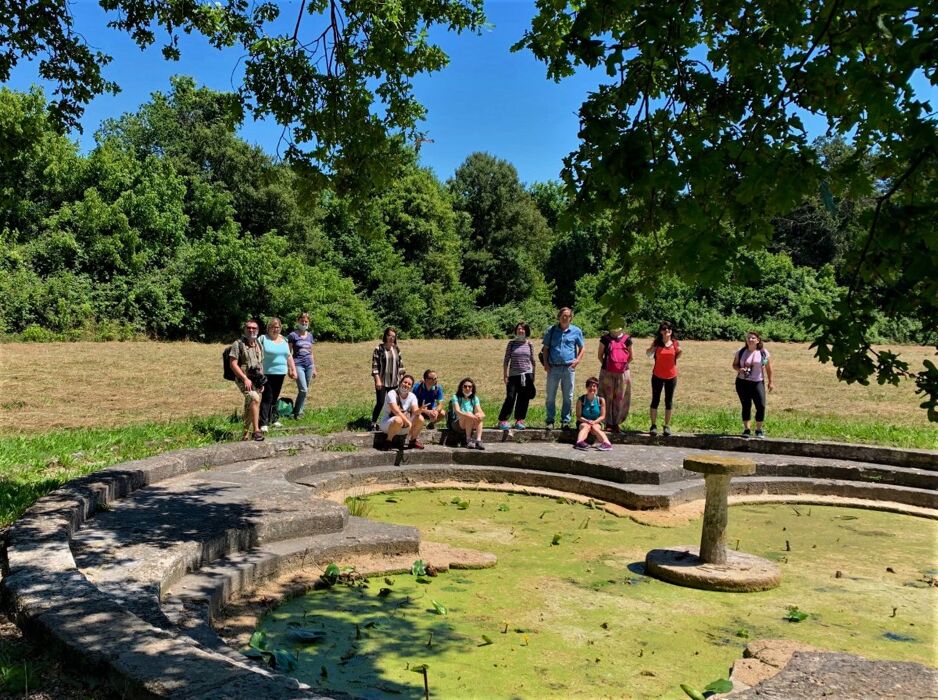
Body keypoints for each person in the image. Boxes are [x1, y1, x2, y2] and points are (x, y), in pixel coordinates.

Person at [541, 307, 585, 430]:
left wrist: (577, 361)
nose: (565, 318)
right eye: (563, 315)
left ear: (571, 318)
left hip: (568, 368)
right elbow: (545, 348)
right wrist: (545, 364)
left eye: (568, 316)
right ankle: (550, 420)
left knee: (568, 396)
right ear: (559, 316)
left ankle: (565, 420)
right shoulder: (551, 330)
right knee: (550, 396)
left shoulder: (576, 331)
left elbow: (582, 348)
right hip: (553, 368)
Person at [228, 319, 266, 441]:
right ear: (244, 330)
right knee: (255, 398)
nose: (251, 330)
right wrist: (245, 378)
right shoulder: (237, 344)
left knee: (251, 405)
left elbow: (260, 364)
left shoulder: (259, 345)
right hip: (242, 378)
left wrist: (261, 381)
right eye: (248, 328)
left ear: (258, 330)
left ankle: (245, 434)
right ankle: (256, 431)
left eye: (254, 328)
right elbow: (233, 364)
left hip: (255, 379)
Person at [732, 331, 775, 438]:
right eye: (748, 338)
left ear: (758, 340)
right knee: (746, 405)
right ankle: (746, 430)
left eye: (753, 338)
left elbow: (769, 368)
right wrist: (740, 369)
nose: (750, 340)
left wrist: (770, 382)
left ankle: (758, 430)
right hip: (742, 382)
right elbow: (734, 365)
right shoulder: (741, 352)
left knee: (761, 406)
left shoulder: (763, 353)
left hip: (758, 382)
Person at [258, 317, 296, 432]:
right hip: (266, 373)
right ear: (268, 328)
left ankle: (274, 419)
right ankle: (263, 422)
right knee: (267, 397)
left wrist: (293, 369)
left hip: (280, 373)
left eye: (277, 327)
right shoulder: (263, 339)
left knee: (275, 397)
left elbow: (288, 356)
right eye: (273, 327)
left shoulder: (284, 340)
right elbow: (256, 353)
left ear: (281, 328)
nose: (275, 329)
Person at [497, 322, 536, 431]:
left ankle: (520, 420)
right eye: (519, 329)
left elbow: (532, 361)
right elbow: (506, 360)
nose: (521, 331)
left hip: (527, 375)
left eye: (523, 329)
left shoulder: (530, 344)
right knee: (510, 397)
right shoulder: (511, 344)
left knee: (523, 398)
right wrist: (505, 375)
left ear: (526, 331)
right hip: (513, 375)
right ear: (516, 331)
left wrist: (533, 375)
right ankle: (503, 420)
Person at [645, 321, 681, 437]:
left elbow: (678, 355)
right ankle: (653, 425)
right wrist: (651, 349)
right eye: (665, 329)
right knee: (655, 400)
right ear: (661, 331)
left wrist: (680, 352)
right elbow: (648, 354)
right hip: (657, 376)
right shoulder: (657, 343)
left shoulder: (675, 343)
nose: (667, 331)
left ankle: (666, 426)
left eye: (669, 329)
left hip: (671, 376)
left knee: (668, 401)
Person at [597, 324, 633, 432]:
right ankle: (611, 422)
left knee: (617, 397)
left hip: (615, 372)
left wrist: (613, 366)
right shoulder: (606, 339)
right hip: (616, 372)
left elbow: (600, 356)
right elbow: (631, 357)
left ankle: (613, 423)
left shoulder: (624, 339)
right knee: (612, 397)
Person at [377, 374, 426, 449]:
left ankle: (413, 440)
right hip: (388, 425)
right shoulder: (392, 393)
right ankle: (388, 441)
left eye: (409, 384)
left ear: (411, 387)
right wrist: (408, 422)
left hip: (405, 427)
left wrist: (420, 410)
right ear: (400, 383)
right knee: (398, 419)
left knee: (420, 418)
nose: (406, 385)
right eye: (405, 382)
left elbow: (415, 410)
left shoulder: (412, 396)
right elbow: (396, 411)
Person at [371, 327, 405, 431]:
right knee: (380, 402)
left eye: (393, 336)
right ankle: (373, 423)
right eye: (389, 335)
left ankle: (392, 422)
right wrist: (377, 379)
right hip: (382, 382)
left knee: (394, 404)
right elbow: (375, 366)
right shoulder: (379, 349)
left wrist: (402, 379)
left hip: (394, 382)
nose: (391, 338)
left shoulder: (396, 349)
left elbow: (401, 365)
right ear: (385, 336)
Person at [287, 312, 317, 420]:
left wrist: (314, 367)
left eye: (306, 321)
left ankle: (299, 411)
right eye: (302, 321)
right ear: (298, 321)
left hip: (309, 365)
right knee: (303, 389)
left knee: (305, 390)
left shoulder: (310, 335)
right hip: (298, 364)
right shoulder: (292, 335)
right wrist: (290, 368)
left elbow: (311, 352)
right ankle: (297, 411)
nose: (304, 323)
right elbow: (288, 353)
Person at [574, 377, 612, 451]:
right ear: (586, 387)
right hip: (583, 421)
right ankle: (579, 442)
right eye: (590, 386)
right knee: (586, 427)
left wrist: (594, 422)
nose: (592, 388)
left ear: (597, 388)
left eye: (594, 386)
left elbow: (602, 416)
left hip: (596, 422)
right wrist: (587, 421)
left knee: (595, 428)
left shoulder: (601, 400)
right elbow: (578, 416)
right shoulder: (581, 400)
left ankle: (607, 443)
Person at [449, 377, 486, 449]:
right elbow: (457, 411)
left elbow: (480, 410)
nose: (467, 388)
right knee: (469, 414)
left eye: (470, 386)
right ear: (461, 387)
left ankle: (478, 440)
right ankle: (468, 440)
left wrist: (480, 415)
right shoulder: (456, 397)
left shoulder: (475, 398)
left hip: (470, 423)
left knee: (479, 416)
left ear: (472, 388)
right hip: (457, 423)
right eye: (465, 386)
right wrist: (469, 415)